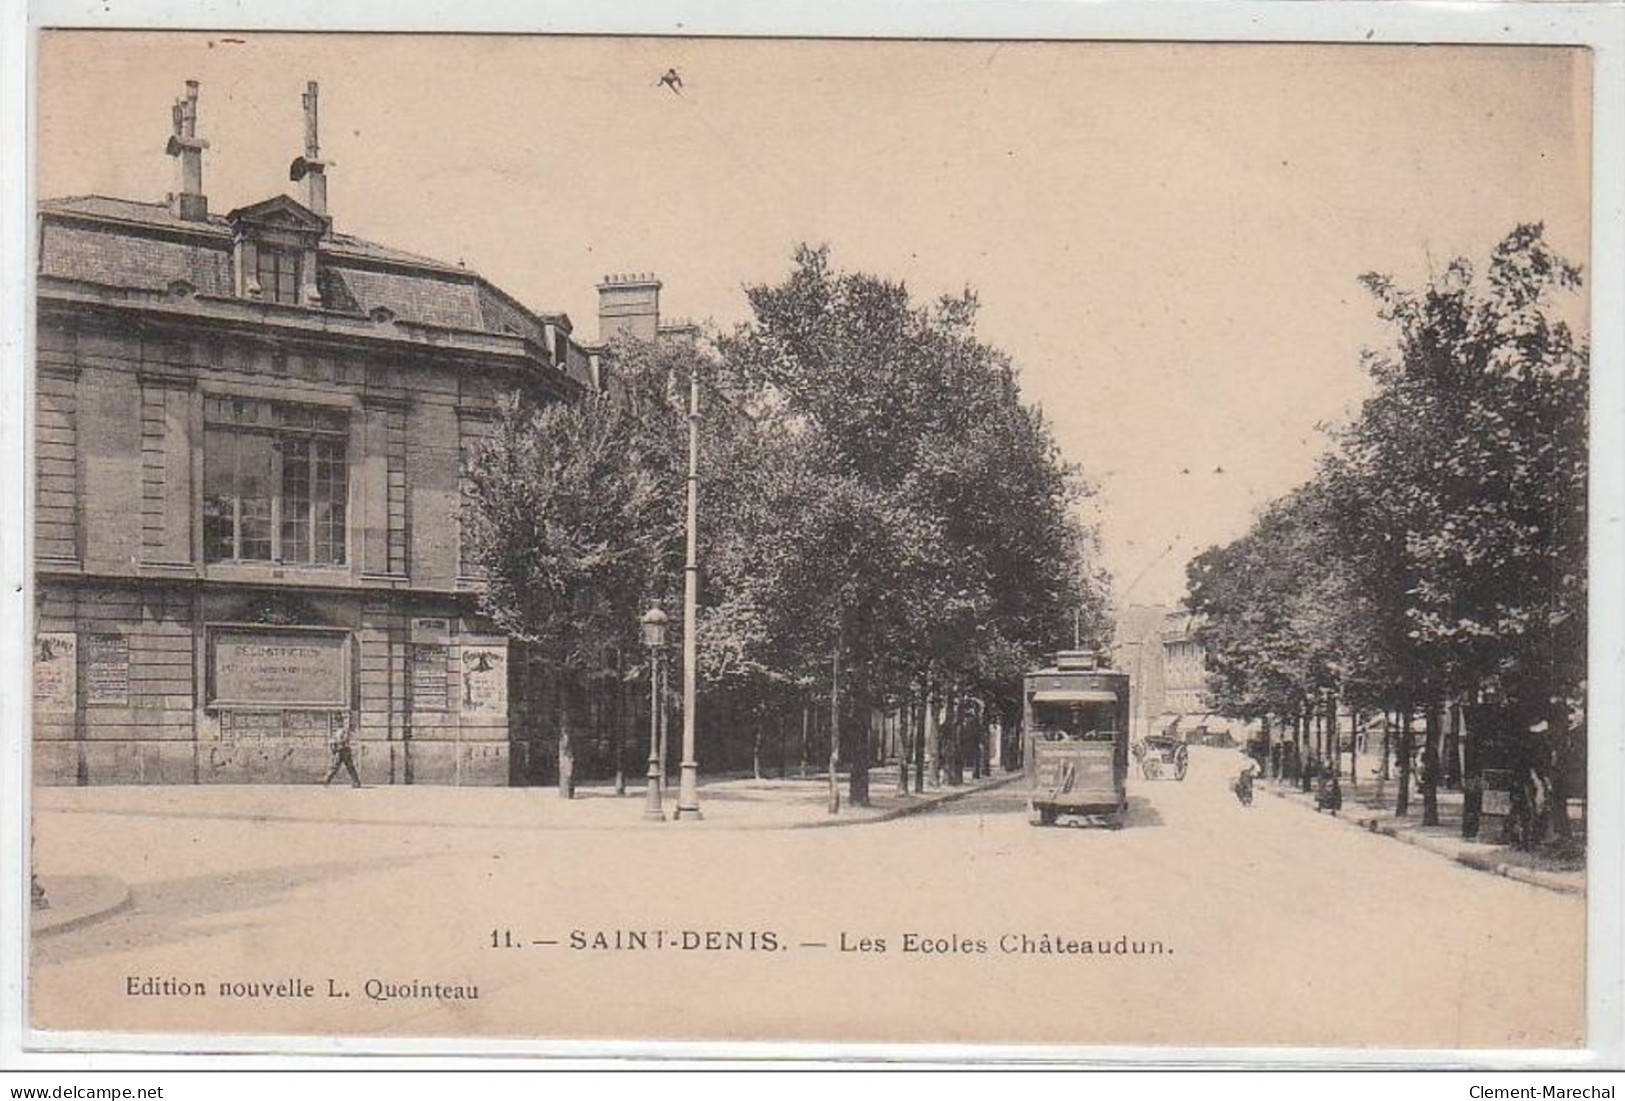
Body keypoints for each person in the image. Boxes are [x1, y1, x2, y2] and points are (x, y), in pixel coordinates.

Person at [323, 716, 362, 788]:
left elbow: (345, 739)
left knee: (347, 767)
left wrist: (336, 742)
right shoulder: (339, 731)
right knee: (337, 766)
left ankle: (356, 782)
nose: (338, 723)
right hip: (341, 750)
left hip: (344, 750)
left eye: (339, 721)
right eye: (338, 722)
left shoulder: (343, 730)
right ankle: (327, 780)